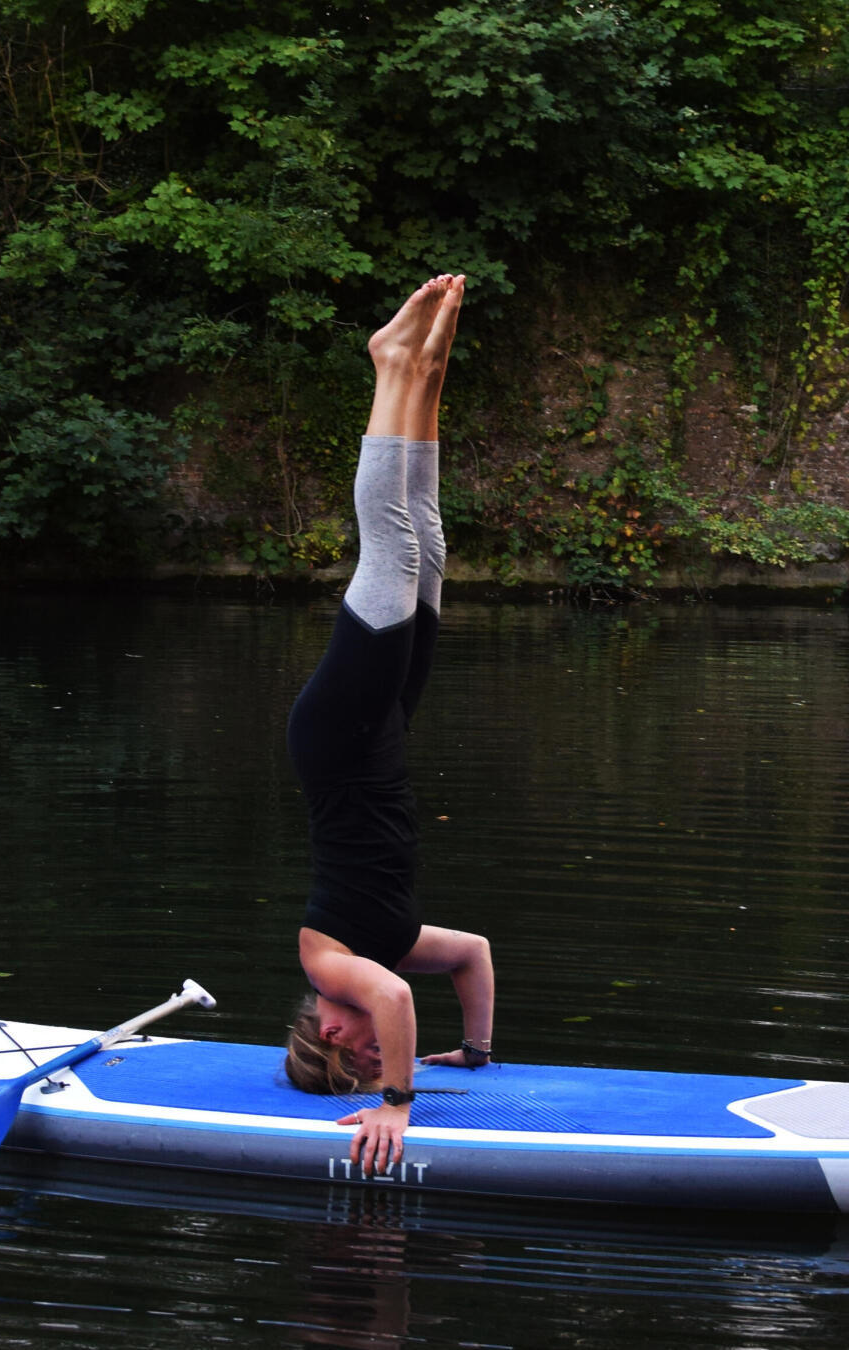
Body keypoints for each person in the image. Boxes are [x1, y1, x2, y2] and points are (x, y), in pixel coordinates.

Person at [282, 274, 495, 1179]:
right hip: (382, 737)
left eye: (360, 1055)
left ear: (331, 1027)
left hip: (337, 736)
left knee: (394, 549)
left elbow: (396, 999)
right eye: (377, 1066)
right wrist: (476, 1055)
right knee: (431, 544)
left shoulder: (335, 966)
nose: (379, 1053)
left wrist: (397, 1107)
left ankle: (386, 367)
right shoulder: (399, 937)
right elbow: (473, 959)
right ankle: (427, 373)